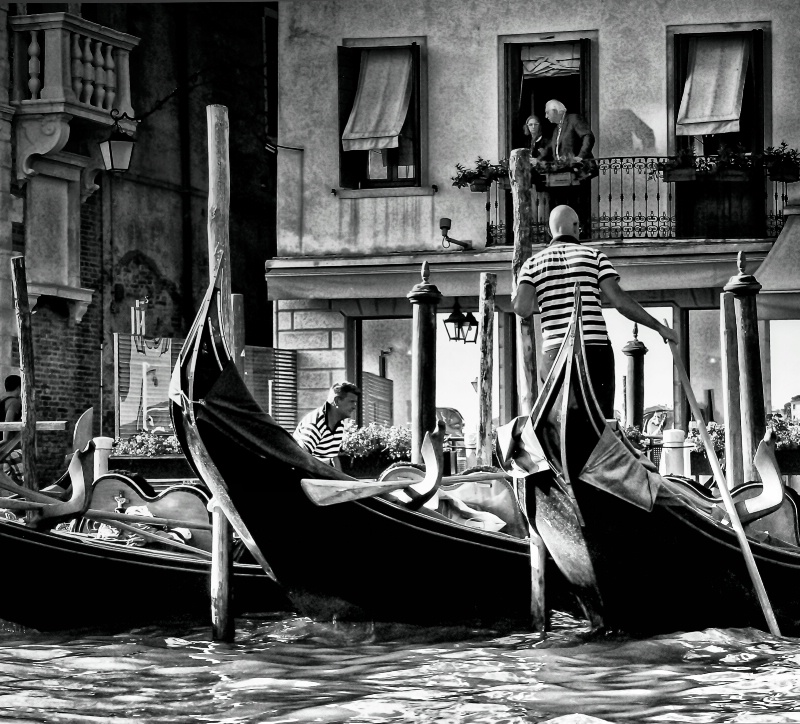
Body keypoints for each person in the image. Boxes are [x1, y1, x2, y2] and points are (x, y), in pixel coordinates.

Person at [513, 205, 678, 418]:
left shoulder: (531, 264)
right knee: (599, 420)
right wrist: (659, 327)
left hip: (554, 352)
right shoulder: (595, 256)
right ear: (575, 226)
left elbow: (522, 308)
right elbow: (619, 301)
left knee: (558, 419)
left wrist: (546, 300)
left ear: (549, 231)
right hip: (594, 350)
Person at [542, 99, 597, 238]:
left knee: (578, 203)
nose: (546, 116)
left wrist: (580, 156)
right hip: (563, 174)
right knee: (562, 203)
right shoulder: (557, 129)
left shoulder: (573, 119)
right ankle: (562, 233)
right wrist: (538, 159)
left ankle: (581, 232)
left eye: (547, 112)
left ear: (556, 111)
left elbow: (588, 136)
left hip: (578, 172)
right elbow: (550, 148)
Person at [293, 381, 360, 470]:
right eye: (351, 402)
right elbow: (300, 459)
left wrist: (342, 481)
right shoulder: (315, 424)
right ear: (336, 401)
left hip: (318, 477)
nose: (354, 406)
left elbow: (333, 458)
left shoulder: (339, 424)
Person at [0, 375, 23, 485]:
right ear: (19, 387)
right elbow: (8, 423)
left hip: (3, 449)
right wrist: (4, 439)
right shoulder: (14, 402)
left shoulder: (1, 399)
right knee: (24, 480)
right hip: (9, 448)